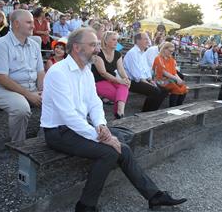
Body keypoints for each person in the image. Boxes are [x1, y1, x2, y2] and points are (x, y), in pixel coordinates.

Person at [41, 28, 187, 212]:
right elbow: (68, 116)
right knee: (112, 151)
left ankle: (154, 196)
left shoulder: (85, 71)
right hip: (58, 131)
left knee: (125, 138)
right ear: (77, 48)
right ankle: (86, 206)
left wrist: (101, 125)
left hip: (79, 126)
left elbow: (94, 103)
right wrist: (103, 137)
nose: (96, 49)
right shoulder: (57, 73)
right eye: (93, 45)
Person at [0, 9, 45, 142]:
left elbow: (40, 72)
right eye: (29, 22)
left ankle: (42, 139)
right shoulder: (1, 44)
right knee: (21, 109)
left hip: (31, 88)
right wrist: (29, 95)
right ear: (17, 24)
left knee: (56, 100)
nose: (33, 26)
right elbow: (1, 78)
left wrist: (42, 91)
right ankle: (19, 145)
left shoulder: (35, 45)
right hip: (3, 89)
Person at [124, 33, 168, 112]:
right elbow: (137, 76)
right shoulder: (132, 53)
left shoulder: (143, 53)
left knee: (165, 90)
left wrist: (151, 80)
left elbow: (146, 70)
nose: (148, 41)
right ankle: (145, 113)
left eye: (148, 39)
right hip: (132, 82)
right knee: (155, 91)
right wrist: (150, 84)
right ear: (138, 41)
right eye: (146, 39)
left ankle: (152, 111)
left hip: (143, 79)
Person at [91, 31, 130, 119]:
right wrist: (120, 80)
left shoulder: (117, 54)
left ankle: (120, 112)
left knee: (124, 86)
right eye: (113, 39)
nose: (116, 42)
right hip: (99, 81)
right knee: (119, 96)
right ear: (105, 41)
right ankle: (119, 116)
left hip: (112, 79)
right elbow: (103, 73)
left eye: (117, 40)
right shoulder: (98, 53)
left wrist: (126, 79)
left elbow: (121, 69)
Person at [153, 42, 188, 107]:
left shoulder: (171, 60)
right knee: (176, 88)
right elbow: (164, 72)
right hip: (160, 80)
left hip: (170, 79)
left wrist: (179, 79)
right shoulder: (158, 58)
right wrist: (176, 79)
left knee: (184, 87)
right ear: (164, 49)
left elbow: (174, 72)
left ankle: (179, 106)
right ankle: (173, 108)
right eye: (170, 51)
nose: (171, 53)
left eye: (172, 51)